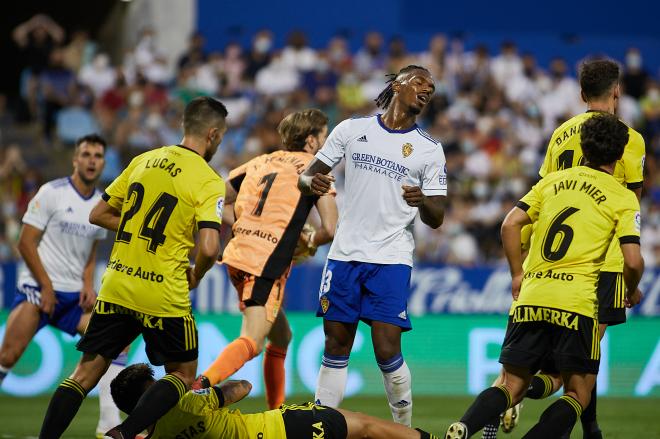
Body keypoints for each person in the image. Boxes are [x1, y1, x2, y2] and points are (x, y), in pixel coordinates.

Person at [38, 96, 229, 439]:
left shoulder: (144, 160)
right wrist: (197, 274)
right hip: (163, 291)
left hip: (117, 285)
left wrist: (136, 225)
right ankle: (125, 433)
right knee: (183, 374)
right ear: (213, 134)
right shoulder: (208, 179)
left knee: (84, 374)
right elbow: (211, 247)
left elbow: (97, 214)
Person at [445, 113, 645, 439]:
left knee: (511, 384)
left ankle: (465, 426)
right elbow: (633, 262)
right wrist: (631, 289)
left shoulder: (552, 182)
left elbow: (510, 224)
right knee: (577, 394)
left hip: (532, 295)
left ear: (583, 146)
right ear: (621, 154)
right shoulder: (623, 197)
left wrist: (516, 274)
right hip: (579, 303)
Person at [492, 58, 646, 439]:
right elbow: (632, 201)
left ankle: (510, 394)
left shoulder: (560, 132)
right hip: (604, 259)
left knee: (564, 361)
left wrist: (525, 259)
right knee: (579, 364)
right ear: (617, 92)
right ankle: (581, 426)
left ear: (580, 94)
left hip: (550, 258)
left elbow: (543, 198)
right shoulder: (629, 137)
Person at [298, 65, 447, 426]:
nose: (426, 90)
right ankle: (321, 426)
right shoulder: (353, 130)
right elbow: (306, 175)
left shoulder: (430, 150)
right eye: (419, 83)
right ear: (397, 84)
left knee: (386, 350)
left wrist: (422, 200)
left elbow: (437, 216)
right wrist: (309, 183)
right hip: (345, 254)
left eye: (431, 88)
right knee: (335, 346)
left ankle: (403, 428)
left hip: (391, 258)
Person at [195, 109, 338, 409]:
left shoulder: (261, 161)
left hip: (237, 255)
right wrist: (310, 240)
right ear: (311, 141)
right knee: (253, 340)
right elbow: (331, 228)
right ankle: (200, 386)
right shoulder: (316, 170)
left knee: (282, 335)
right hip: (264, 263)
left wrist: (243, 222)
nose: (327, 144)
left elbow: (216, 199)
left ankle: (276, 411)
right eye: (324, 137)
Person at [0, 134, 125, 436]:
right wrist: (45, 286)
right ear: (75, 159)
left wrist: (87, 284)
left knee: (117, 340)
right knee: (7, 357)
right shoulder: (52, 193)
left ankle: (109, 423)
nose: (92, 160)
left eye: (97, 155)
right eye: (86, 154)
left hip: (73, 299)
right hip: (39, 291)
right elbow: (26, 243)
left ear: (103, 163)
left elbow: (90, 251)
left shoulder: (100, 204)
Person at [112, 363, 440, 439]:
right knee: (366, 427)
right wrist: (203, 387)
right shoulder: (190, 402)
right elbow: (242, 386)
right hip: (281, 428)